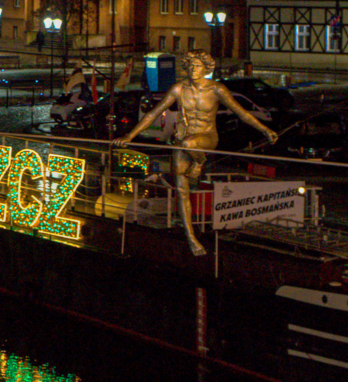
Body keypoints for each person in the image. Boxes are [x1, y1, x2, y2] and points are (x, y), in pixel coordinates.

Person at [113, 50, 278, 256]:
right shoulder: (178, 89)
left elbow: (242, 113)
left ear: (206, 68)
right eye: (190, 66)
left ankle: (199, 163)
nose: (193, 70)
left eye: (198, 66)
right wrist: (130, 136)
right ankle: (191, 237)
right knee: (181, 189)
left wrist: (265, 129)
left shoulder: (217, 89)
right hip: (183, 142)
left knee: (190, 143)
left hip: (206, 138)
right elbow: (154, 113)